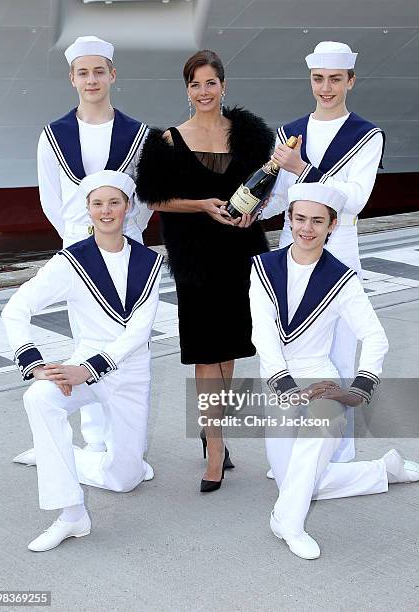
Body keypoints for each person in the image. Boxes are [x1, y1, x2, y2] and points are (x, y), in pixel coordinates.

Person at [249, 182, 419, 560]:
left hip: (321, 378)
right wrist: (284, 386)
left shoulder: (342, 278)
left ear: (332, 226)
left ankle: (288, 522)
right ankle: (384, 471)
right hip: (277, 378)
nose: (307, 228)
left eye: (318, 221)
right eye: (300, 218)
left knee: (311, 452)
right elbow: (262, 333)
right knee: (297, 481)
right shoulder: (262, 267)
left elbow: (375, 337)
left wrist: (358, 388)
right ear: (289, 218)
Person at [2, 171, 163, 552]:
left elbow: (138, 333)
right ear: (87, 210)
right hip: (85, 364)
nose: (106, 211)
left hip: (129, 370)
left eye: (114, 203)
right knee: (39, 398)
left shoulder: (150, 261)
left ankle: (56, 454)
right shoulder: (70, 262)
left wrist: (88, 369)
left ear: (127, 208)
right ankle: (72, 515)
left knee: (125, 479)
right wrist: (36, 364)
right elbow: (16, 309)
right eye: (97, 204)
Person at [136, 50, 274, 492]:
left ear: (223, 86)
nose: (203, 92)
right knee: (204, 351)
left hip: (239, 251)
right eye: (195, 85)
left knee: (229, 348)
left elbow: (263, 185)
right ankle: (215, 447)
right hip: (195, 257)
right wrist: (202, 204)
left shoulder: (248, 135)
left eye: (210, 83)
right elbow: (154, 200)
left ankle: (214, 429)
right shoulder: (170, 141)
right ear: (187, 90)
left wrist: (256, 211)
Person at [26, 35, 151, 456]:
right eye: (84, 72)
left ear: (112, 75)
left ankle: (123, 440)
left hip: (127, 251)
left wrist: (125, 234)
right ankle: (95, 441)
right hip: (79, 252)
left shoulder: (138, 135)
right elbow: (50, 198)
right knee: (87, 341)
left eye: (99, 71)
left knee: (130, 343)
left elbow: (147, 199)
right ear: (72, 79)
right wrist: (80, 240)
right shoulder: (53, 135)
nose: (92, 79)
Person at [261, 41, 385, 462]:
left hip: (340, 241)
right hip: (291, 240)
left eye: (335, 80)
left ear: (350, 80)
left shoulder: (366, 135)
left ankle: (338, 451)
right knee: (289, 336)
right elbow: (282, 195)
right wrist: (252, 208)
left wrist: (301, 169)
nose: (326, 88)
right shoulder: (291, 130)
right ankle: (294, 442)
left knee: (340, 344)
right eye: (319, 79)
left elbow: (355, 199)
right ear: (310, 80)